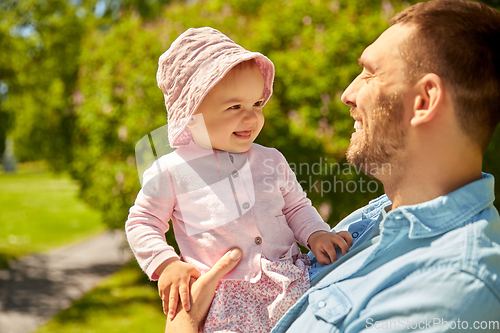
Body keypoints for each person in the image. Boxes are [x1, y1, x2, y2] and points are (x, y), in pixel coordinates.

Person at [165, 1, 500, 332]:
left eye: (371, 73)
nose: (347, 93)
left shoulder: (449, 291)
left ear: (424, 101)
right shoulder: (373, 222)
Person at [125, 27, 353, 333]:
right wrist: (167, 263)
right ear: (191, 112)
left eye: (257, 104)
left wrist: (316, 234)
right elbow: (142, 222)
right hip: (223, 302)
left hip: (289, 282)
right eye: (235, 107)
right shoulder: (172, 171)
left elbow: (296, 206)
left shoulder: (270, 159)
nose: (251, 117)